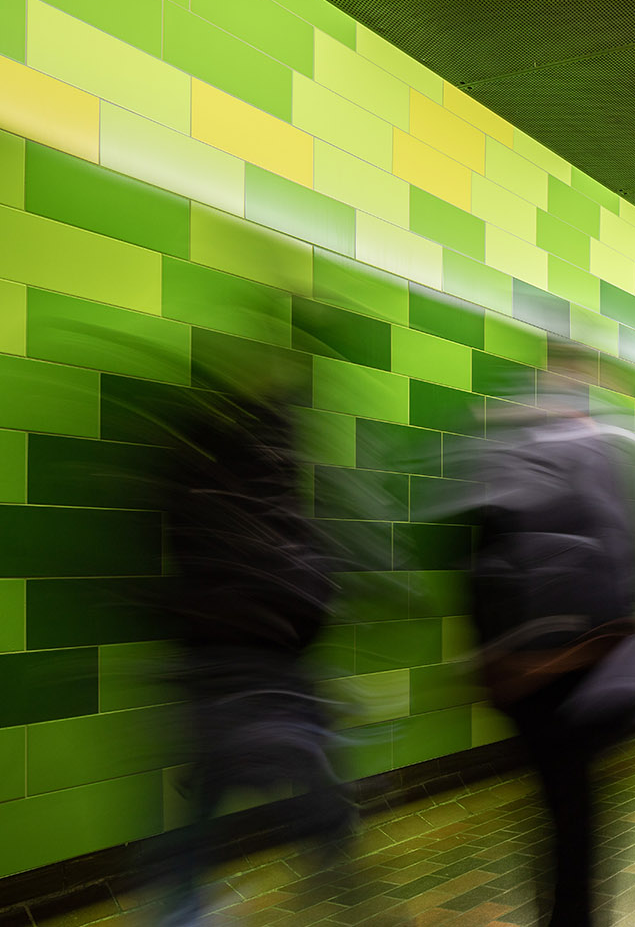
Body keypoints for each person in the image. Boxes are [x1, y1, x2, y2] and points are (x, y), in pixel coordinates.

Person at [468, 342, 635, 927]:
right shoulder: (601, 453)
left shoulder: (508, 452)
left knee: (565, 812)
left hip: (539, 671)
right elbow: (620, 558)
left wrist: (494, 658)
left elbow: (479, 558)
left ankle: (565, 914)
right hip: (579, 668)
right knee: (574, 816)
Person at [155, 385, 352, 926]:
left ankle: (180, 908)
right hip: (270, 666)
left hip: (210, 668)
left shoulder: (191, 476)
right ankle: (348, 892)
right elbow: (311, 585)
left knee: (206, 800)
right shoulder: (271, 488)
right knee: (320, 796)